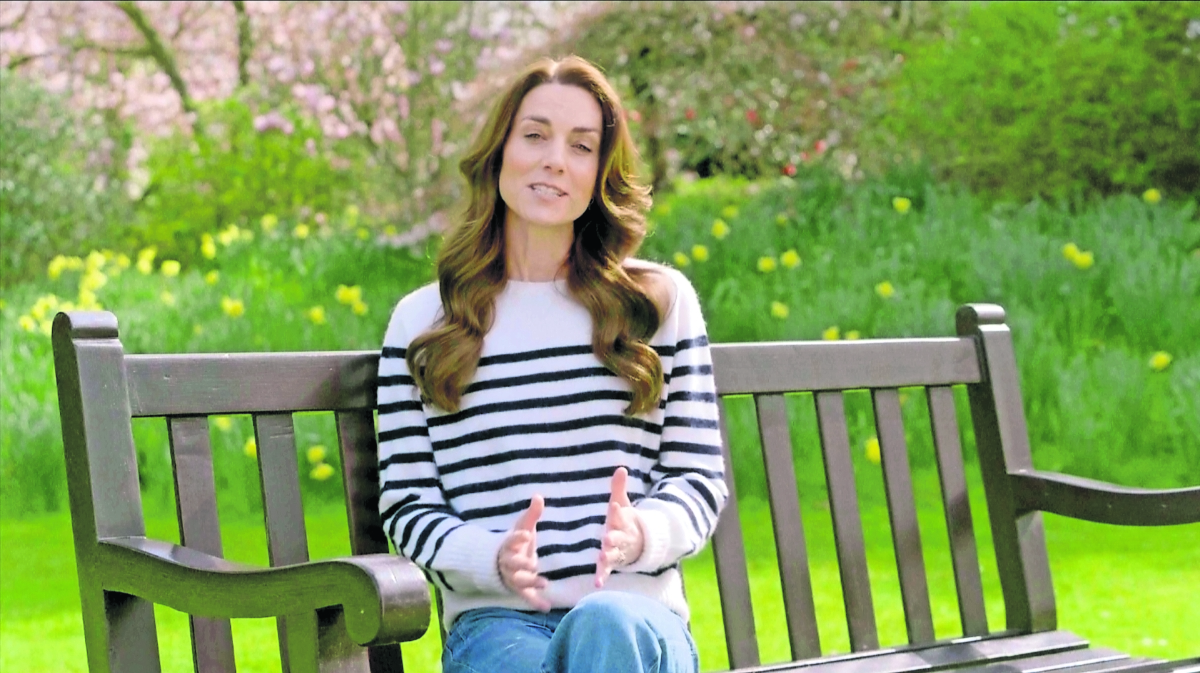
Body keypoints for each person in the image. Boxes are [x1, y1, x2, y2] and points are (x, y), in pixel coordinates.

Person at [376, 54, 727, 673]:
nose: (555, 160)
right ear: (499, 151)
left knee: (605, 624)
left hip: (635, 612)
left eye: (582, 146)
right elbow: (408, 504)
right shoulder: (423, 321)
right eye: (535, 135)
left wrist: (641, 535)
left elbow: (698, 478)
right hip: (496, 625)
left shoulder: (657, 304)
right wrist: (491, 558)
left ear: (600, 172)